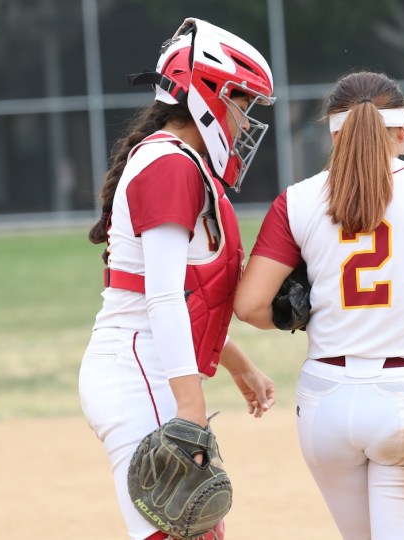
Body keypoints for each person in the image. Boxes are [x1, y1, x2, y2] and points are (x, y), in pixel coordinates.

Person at [234, 71, 404, 540]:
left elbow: (250, 306)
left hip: (326, 400)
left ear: (335, 135)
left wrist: (311, 308)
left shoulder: (297, 199)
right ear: (401, 131)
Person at [78, 18, 276, 540]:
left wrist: (239, 365)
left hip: (146, 366)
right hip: (139, 372)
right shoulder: (170, 165)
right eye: (242, 103)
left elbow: (186, 297)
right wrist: (191, 409)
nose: (245, 122)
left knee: (200, 532)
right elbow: (163, 296)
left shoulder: (179, 160)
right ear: (208, 94)